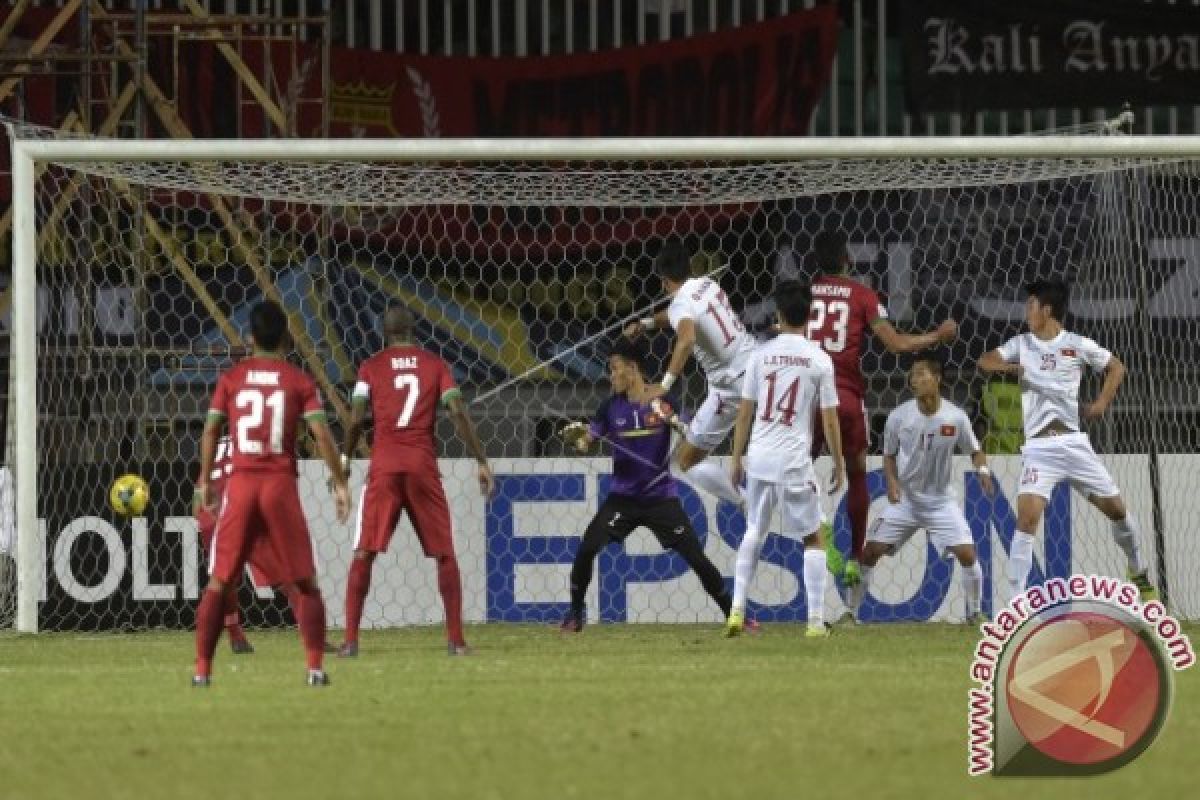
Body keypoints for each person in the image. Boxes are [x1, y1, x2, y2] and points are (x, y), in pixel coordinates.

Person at [194, 301, 350, 687]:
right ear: (285, 337)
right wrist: (340, 481)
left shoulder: (232, 379)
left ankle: (202, 672)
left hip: (242, 485)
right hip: (279, 485)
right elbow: (321, 434)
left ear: (250, 338)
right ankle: (314, 669)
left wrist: (204, 482)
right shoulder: (298, 381)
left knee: (219, 581)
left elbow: (211, 431)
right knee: (306, 582)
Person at [978, 279, 1157, 601]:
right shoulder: (1022, 343)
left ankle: (1138, 569)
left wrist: (1102, 403)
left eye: (1030, 305)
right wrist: (1016, 370)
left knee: (1117, 512)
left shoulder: (1077, 344)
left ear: (1047, 310)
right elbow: (985, 361)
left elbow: (1116, 368)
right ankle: (1017, 604)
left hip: (1074, 443)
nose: (1026, 311)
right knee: (1027, 519)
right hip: (1039, 449)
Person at [339, 304, 495, 658]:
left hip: (385, 466)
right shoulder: (435, 365)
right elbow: (456, 410)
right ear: (414, 331)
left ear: (385, 332)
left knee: (364, 551)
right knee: (445, 554)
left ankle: (350, 642)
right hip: (423, 466)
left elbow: (355, 419)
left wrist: (345, 460)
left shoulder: (370, 367)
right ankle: (456, 641)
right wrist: (481, 460)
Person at [805, 229, 958, 589]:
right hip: (845, 396)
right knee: (858, 472)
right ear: (847, 260)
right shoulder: (862, 295)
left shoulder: (805, 294)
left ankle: (820, 527)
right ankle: (857, 556)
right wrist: (936, 335)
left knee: (799, 470)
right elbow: (897, 344)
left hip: (807, 397)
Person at [558, 337, 734, 631]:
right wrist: (577, 438)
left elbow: (692, 432)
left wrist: (679, 424)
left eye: (615, 369)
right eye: (610, 370)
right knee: (587, 549)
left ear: (633, 369)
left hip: (661, 498)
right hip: (622, 499)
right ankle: (575, 614)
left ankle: (734, 614)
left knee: (695, 556)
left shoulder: (663, 401)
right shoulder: (609, 408)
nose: (611, 376)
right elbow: (587, 441)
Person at [726, 281, 844, 638]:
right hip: (794, 462)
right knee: (812, 538)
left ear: (777, 314)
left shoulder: (760, 356)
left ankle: (736, 609)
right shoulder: (819, 359)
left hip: (759, 458)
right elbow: (830, 418)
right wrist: (838, 461)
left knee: (754, 532)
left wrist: (736, 458)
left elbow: (744, 413)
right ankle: (814, 622)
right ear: (809, 315)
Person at [849, 357, 993, 624]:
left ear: (937, 379)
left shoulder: (956, 417)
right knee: (870, 552)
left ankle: (975, 614)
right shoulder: (899, 417)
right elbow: (889, 455)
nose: (915, 380)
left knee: (968, 554)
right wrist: (891, 482)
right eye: (913, 376)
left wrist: (983, 471)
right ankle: (851, 613)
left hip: (940, 503)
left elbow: (975, 450)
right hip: (907, 501)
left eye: (922, 374)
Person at [623, 239, 755, 507]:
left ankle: (745, 502)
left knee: (685, 461)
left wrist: (664, 385)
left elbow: (685, 338)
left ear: (663, 281)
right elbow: (676, 316)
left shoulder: (680, 306)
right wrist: (647, 323)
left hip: (731, 389)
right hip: (758, 367)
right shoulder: (708, 284)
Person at [193, 434, 336, 655]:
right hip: (244, 506)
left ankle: (233, 637)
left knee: (222, 581)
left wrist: (203, 516)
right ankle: (313, 637)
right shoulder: (260, 437)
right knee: (290, 574)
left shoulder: (216, 443)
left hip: (210, 512)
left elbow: (198, 495)